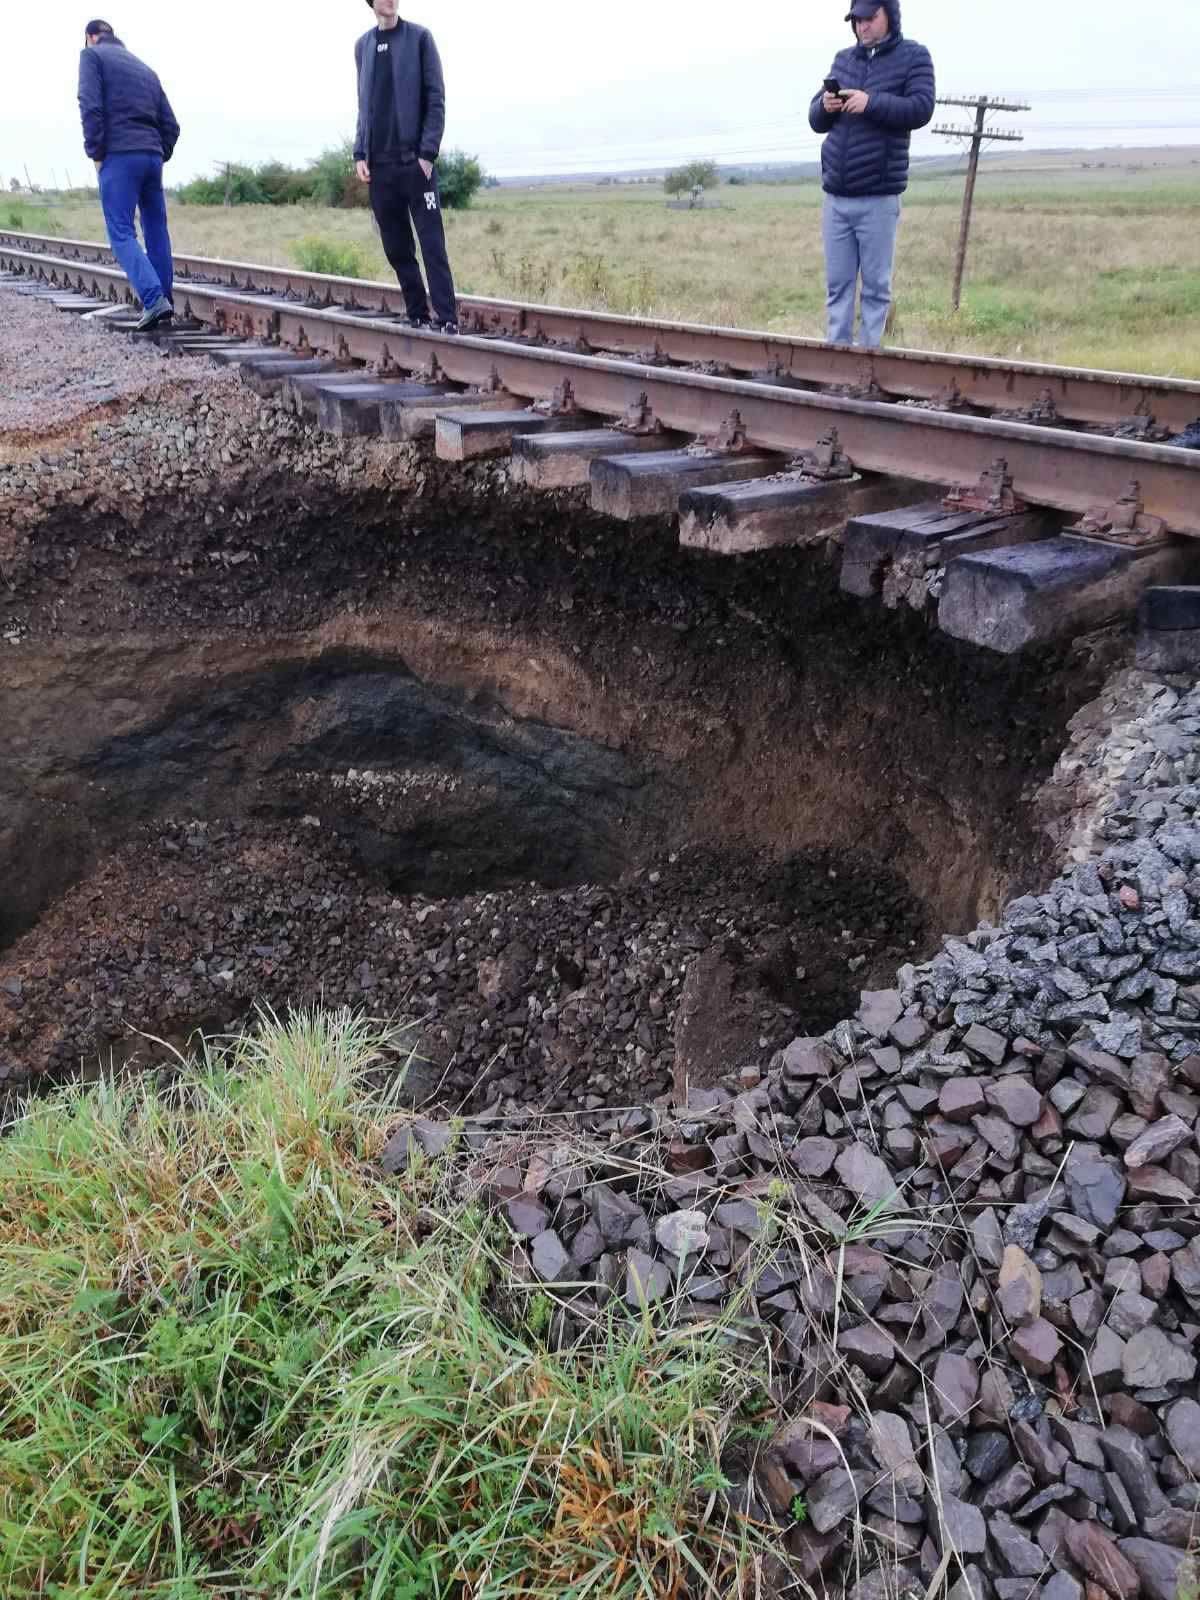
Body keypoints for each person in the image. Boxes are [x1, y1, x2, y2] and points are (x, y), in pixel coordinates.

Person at [808, 1, 935, 348]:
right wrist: (825, 106)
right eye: (857, 20)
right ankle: (837, 358)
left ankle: (868, 362)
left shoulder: (914, 57)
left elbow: (921, 108)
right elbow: (815, 120)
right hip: (836, 196)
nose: (862, 26)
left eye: (869, 18)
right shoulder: (843, 60)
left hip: (878, 197)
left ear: (889, 15)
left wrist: (871, 102)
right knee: (838, 286)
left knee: (876, 288)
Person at [353, 0, 459, 333]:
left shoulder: (420, 39)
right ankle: (417, 314)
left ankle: (447, 318)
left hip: (415, 164)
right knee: (396, 246)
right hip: (380, 167)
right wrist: (360, 152)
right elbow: (364, 105)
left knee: (432, 244)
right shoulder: (363, 46)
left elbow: (436, 98)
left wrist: (427, 154)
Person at [78, 19, 180, 332]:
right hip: (151, 157)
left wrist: (96, 151)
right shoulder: (145, 69)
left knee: (121, 231)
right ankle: (164, 299)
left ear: (91, 37)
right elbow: (172, 125)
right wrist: (157, 152)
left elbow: (90, 104)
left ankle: (153, 300)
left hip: (119, 156)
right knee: (155, 229)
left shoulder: (91, 56)